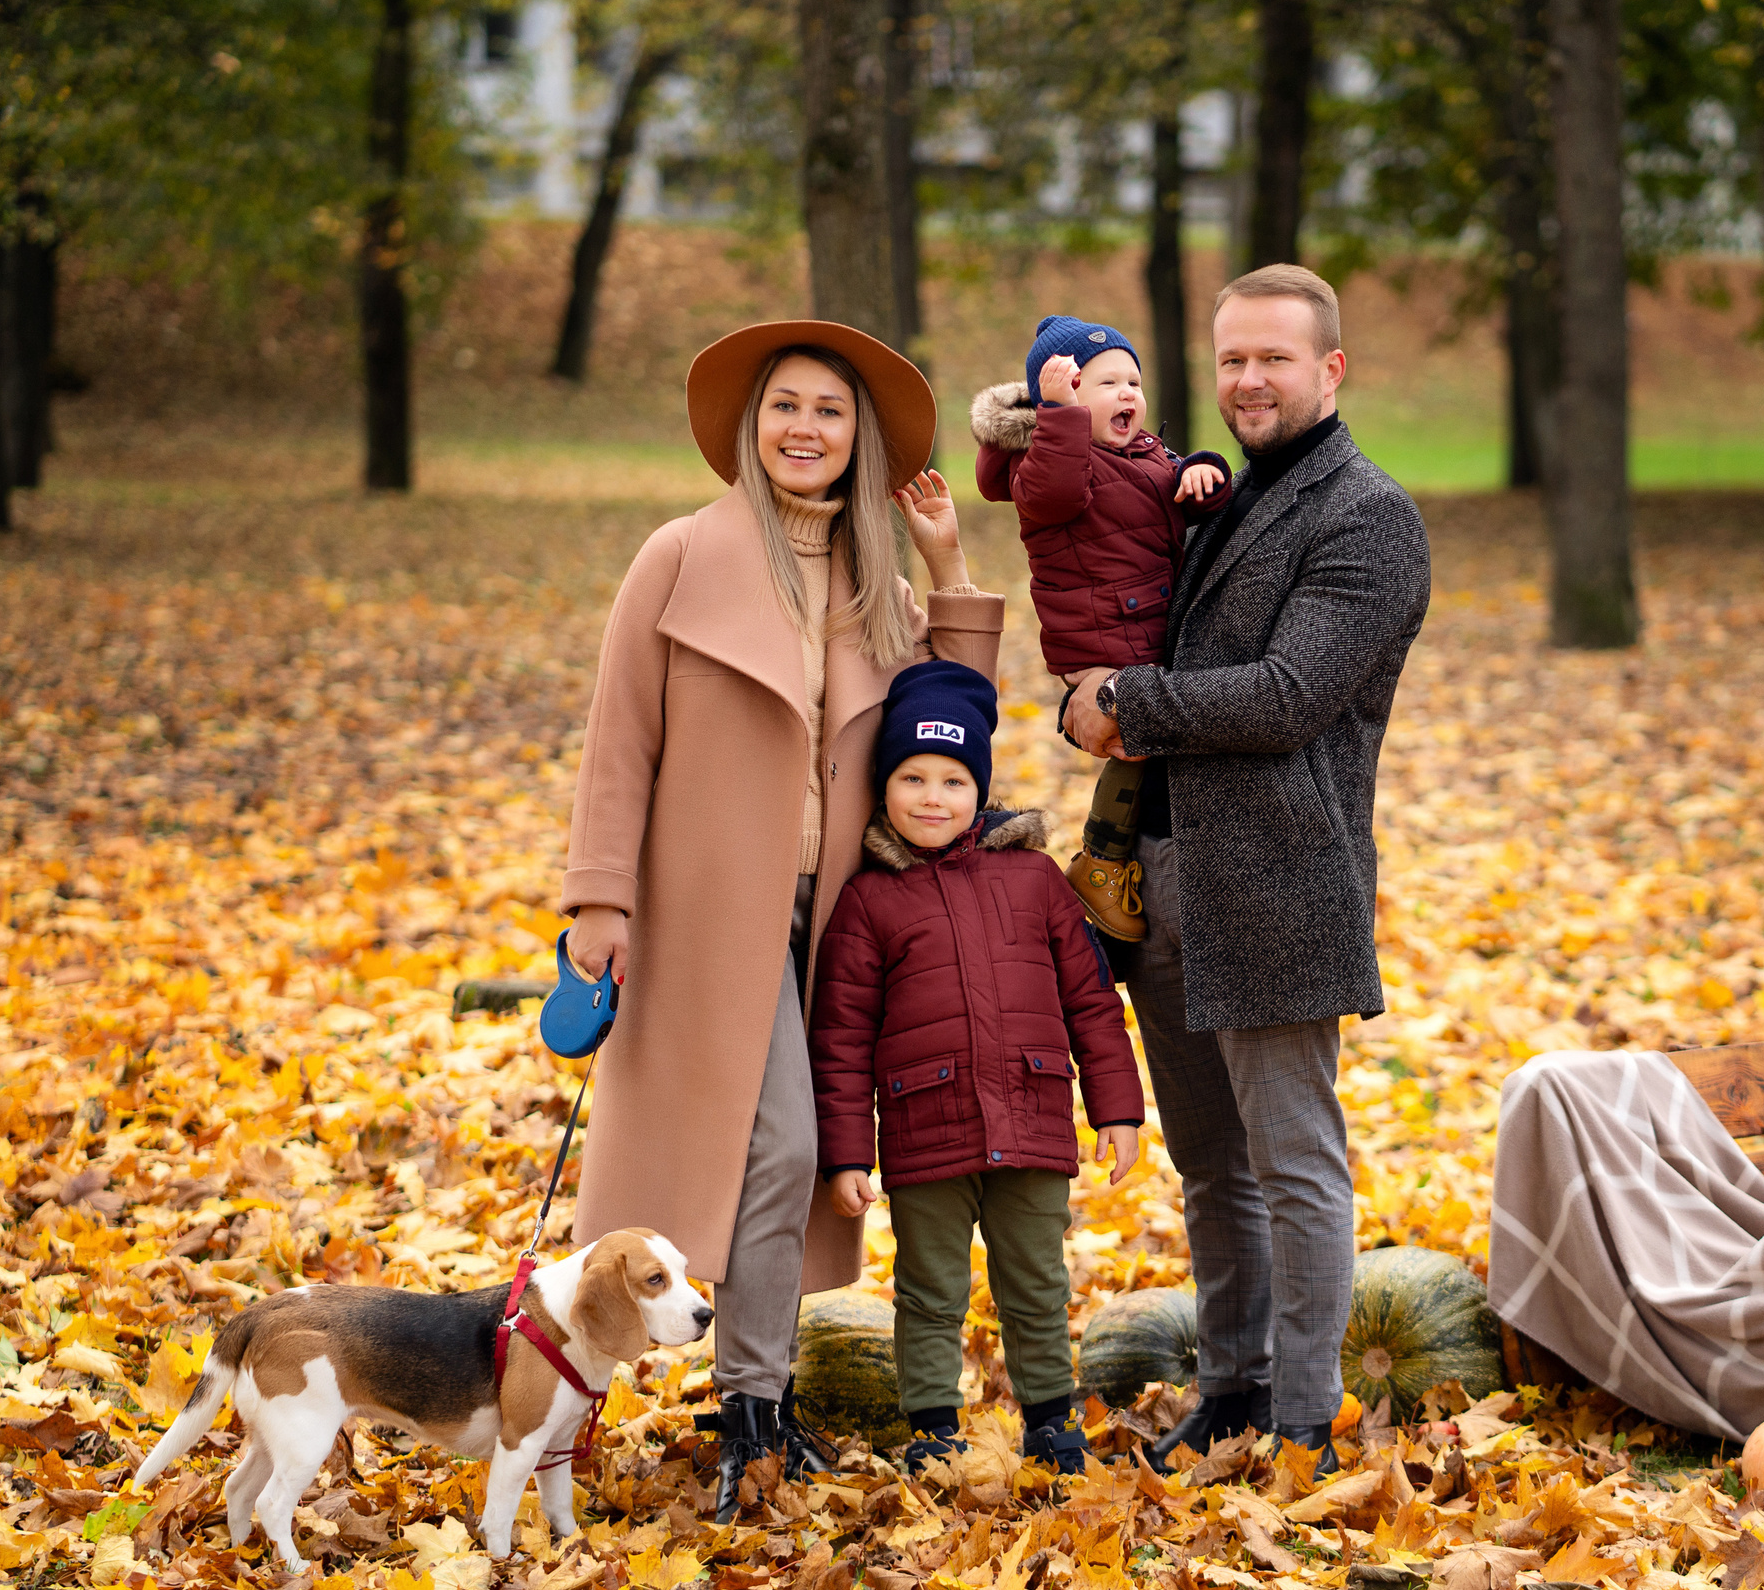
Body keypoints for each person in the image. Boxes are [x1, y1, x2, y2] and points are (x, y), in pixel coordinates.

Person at [559, 321, 1004, 1521]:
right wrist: (599, 898)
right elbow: (620, 742)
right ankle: (748, 1405)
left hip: (840, 923)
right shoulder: (679, 557)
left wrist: (949, 571)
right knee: (788, 1149)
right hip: (708, 915)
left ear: (856, 439)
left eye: (829, 412)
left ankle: (751, 1401)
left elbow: (951, 723)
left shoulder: (873, 584)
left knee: (788, 1159)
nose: (804, 430)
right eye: (783, 408)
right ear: (751, 429)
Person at [1058, 264, 1431, 1470]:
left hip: (1278, 884)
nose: (1247, 380)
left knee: (1294, 1164)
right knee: (1211, 1164)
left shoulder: (1366, 515)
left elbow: (1288, 698)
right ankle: (1230, 1386)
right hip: (1162, 875)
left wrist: (1123, 699)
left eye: (1273, 358)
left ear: (1330, 368)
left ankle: (1298, 1421)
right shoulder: (1212, 497)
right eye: (1230, 360)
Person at [808, 660, 1145, 1474]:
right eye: (912, 777)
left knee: (1035, 1280)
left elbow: (1092, 1000)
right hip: (927, 1132)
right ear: (884, 788)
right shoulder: (868, 901)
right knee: (930, 1290)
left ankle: (1051, 1420)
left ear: (980, 789)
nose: (931, 797)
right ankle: (932, 1426)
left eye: (953, 779)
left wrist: (1118, 1108)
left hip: (1030, 1119)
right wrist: (848, 1152)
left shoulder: (1035, 881)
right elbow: (841, 1038)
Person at [971, 316, 1226, 941]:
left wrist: (1202, 474)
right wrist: (1055, 418)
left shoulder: (1140, 453)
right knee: (1134, 739)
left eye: (1133, 381)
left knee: (1147, 738)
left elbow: (1178, 502)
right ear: (1059, 402)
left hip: (1139, 623)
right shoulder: (1044, 462)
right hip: (1099, 636)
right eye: (1104, 383)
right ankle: (1102, 861)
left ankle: (1115, 856)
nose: (1127, 395)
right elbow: (1055, 496)